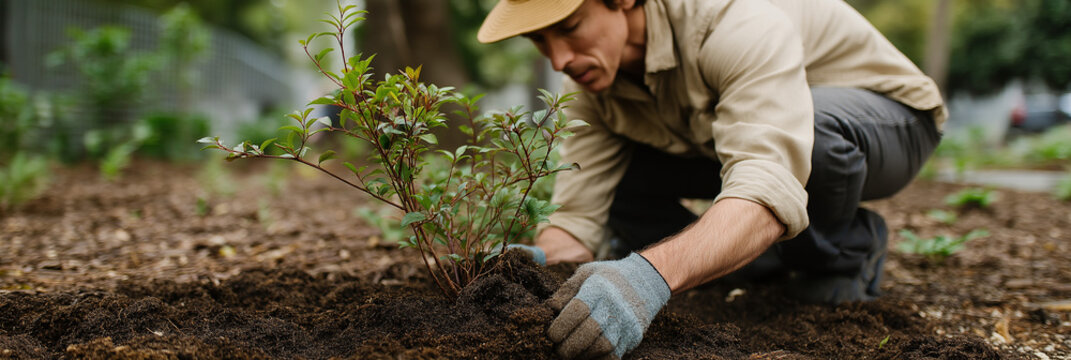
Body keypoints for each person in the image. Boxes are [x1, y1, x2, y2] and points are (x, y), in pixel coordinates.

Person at [477, 0, 945, 358]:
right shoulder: (591, 81)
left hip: (888, 124)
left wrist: (647, 278)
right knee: (622, 173)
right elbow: (579, 214)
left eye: (569, 27)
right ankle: (759, 262)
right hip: (731, 139)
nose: (558, 59)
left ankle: (846, 252)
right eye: (540, 40)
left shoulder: (732, 22)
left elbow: (766, 181)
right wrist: (531, 265)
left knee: (812, 131)